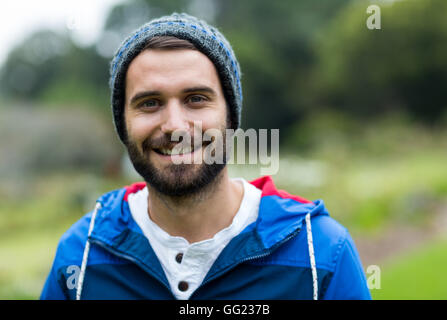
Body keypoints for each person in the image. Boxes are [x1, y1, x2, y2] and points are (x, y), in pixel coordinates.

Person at [40, 13, 371, 300]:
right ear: (123, 124)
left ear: (231, 116)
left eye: (196, 99)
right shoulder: (81, 256)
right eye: (149, 103)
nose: (174, 126)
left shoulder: (321, 253)